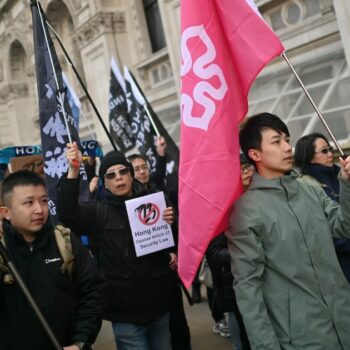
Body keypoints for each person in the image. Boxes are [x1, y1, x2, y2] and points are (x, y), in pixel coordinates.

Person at [226, 112, 350, 350]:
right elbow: (248, 289)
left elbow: (343, 225)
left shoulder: (308, 190)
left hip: (343, 321)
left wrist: (346, 183)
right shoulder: (246, 212)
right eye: (276, 141)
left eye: (287, 139)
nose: (287, 147)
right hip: (301, 339)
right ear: (255, 154)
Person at [57, 143, 176, 350]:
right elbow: (67, 214)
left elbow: (167, 243)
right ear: (105, 183)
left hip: (160, 305)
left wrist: (170, 233)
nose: (118, 177)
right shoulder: (97, 212)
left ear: (131, 175)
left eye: (123, 172)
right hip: (125, 313)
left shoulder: (154, 203)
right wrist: (73, 171)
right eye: (111, 175)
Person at [0, 170, 105, 350]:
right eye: (28, 203)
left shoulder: (65, 240)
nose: (39, 210)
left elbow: (93, 292)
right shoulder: (2, 250)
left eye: (43, 201)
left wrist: (80, 342)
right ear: (6, 212)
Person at [206, 154, 253, 350]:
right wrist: (245, 253)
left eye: (249, 168)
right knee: (245, 337)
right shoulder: (222, 206)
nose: (248, 173)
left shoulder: (261, 196)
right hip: (237, 284)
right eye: (242, 169)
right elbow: (214, 253)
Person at [295, 132, 350, 283]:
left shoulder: (342, 175)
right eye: (324, 151)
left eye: (330, 149)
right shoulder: (306, 186)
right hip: (339, 264)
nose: (330, 154)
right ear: (309, 157)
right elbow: (322, 230)